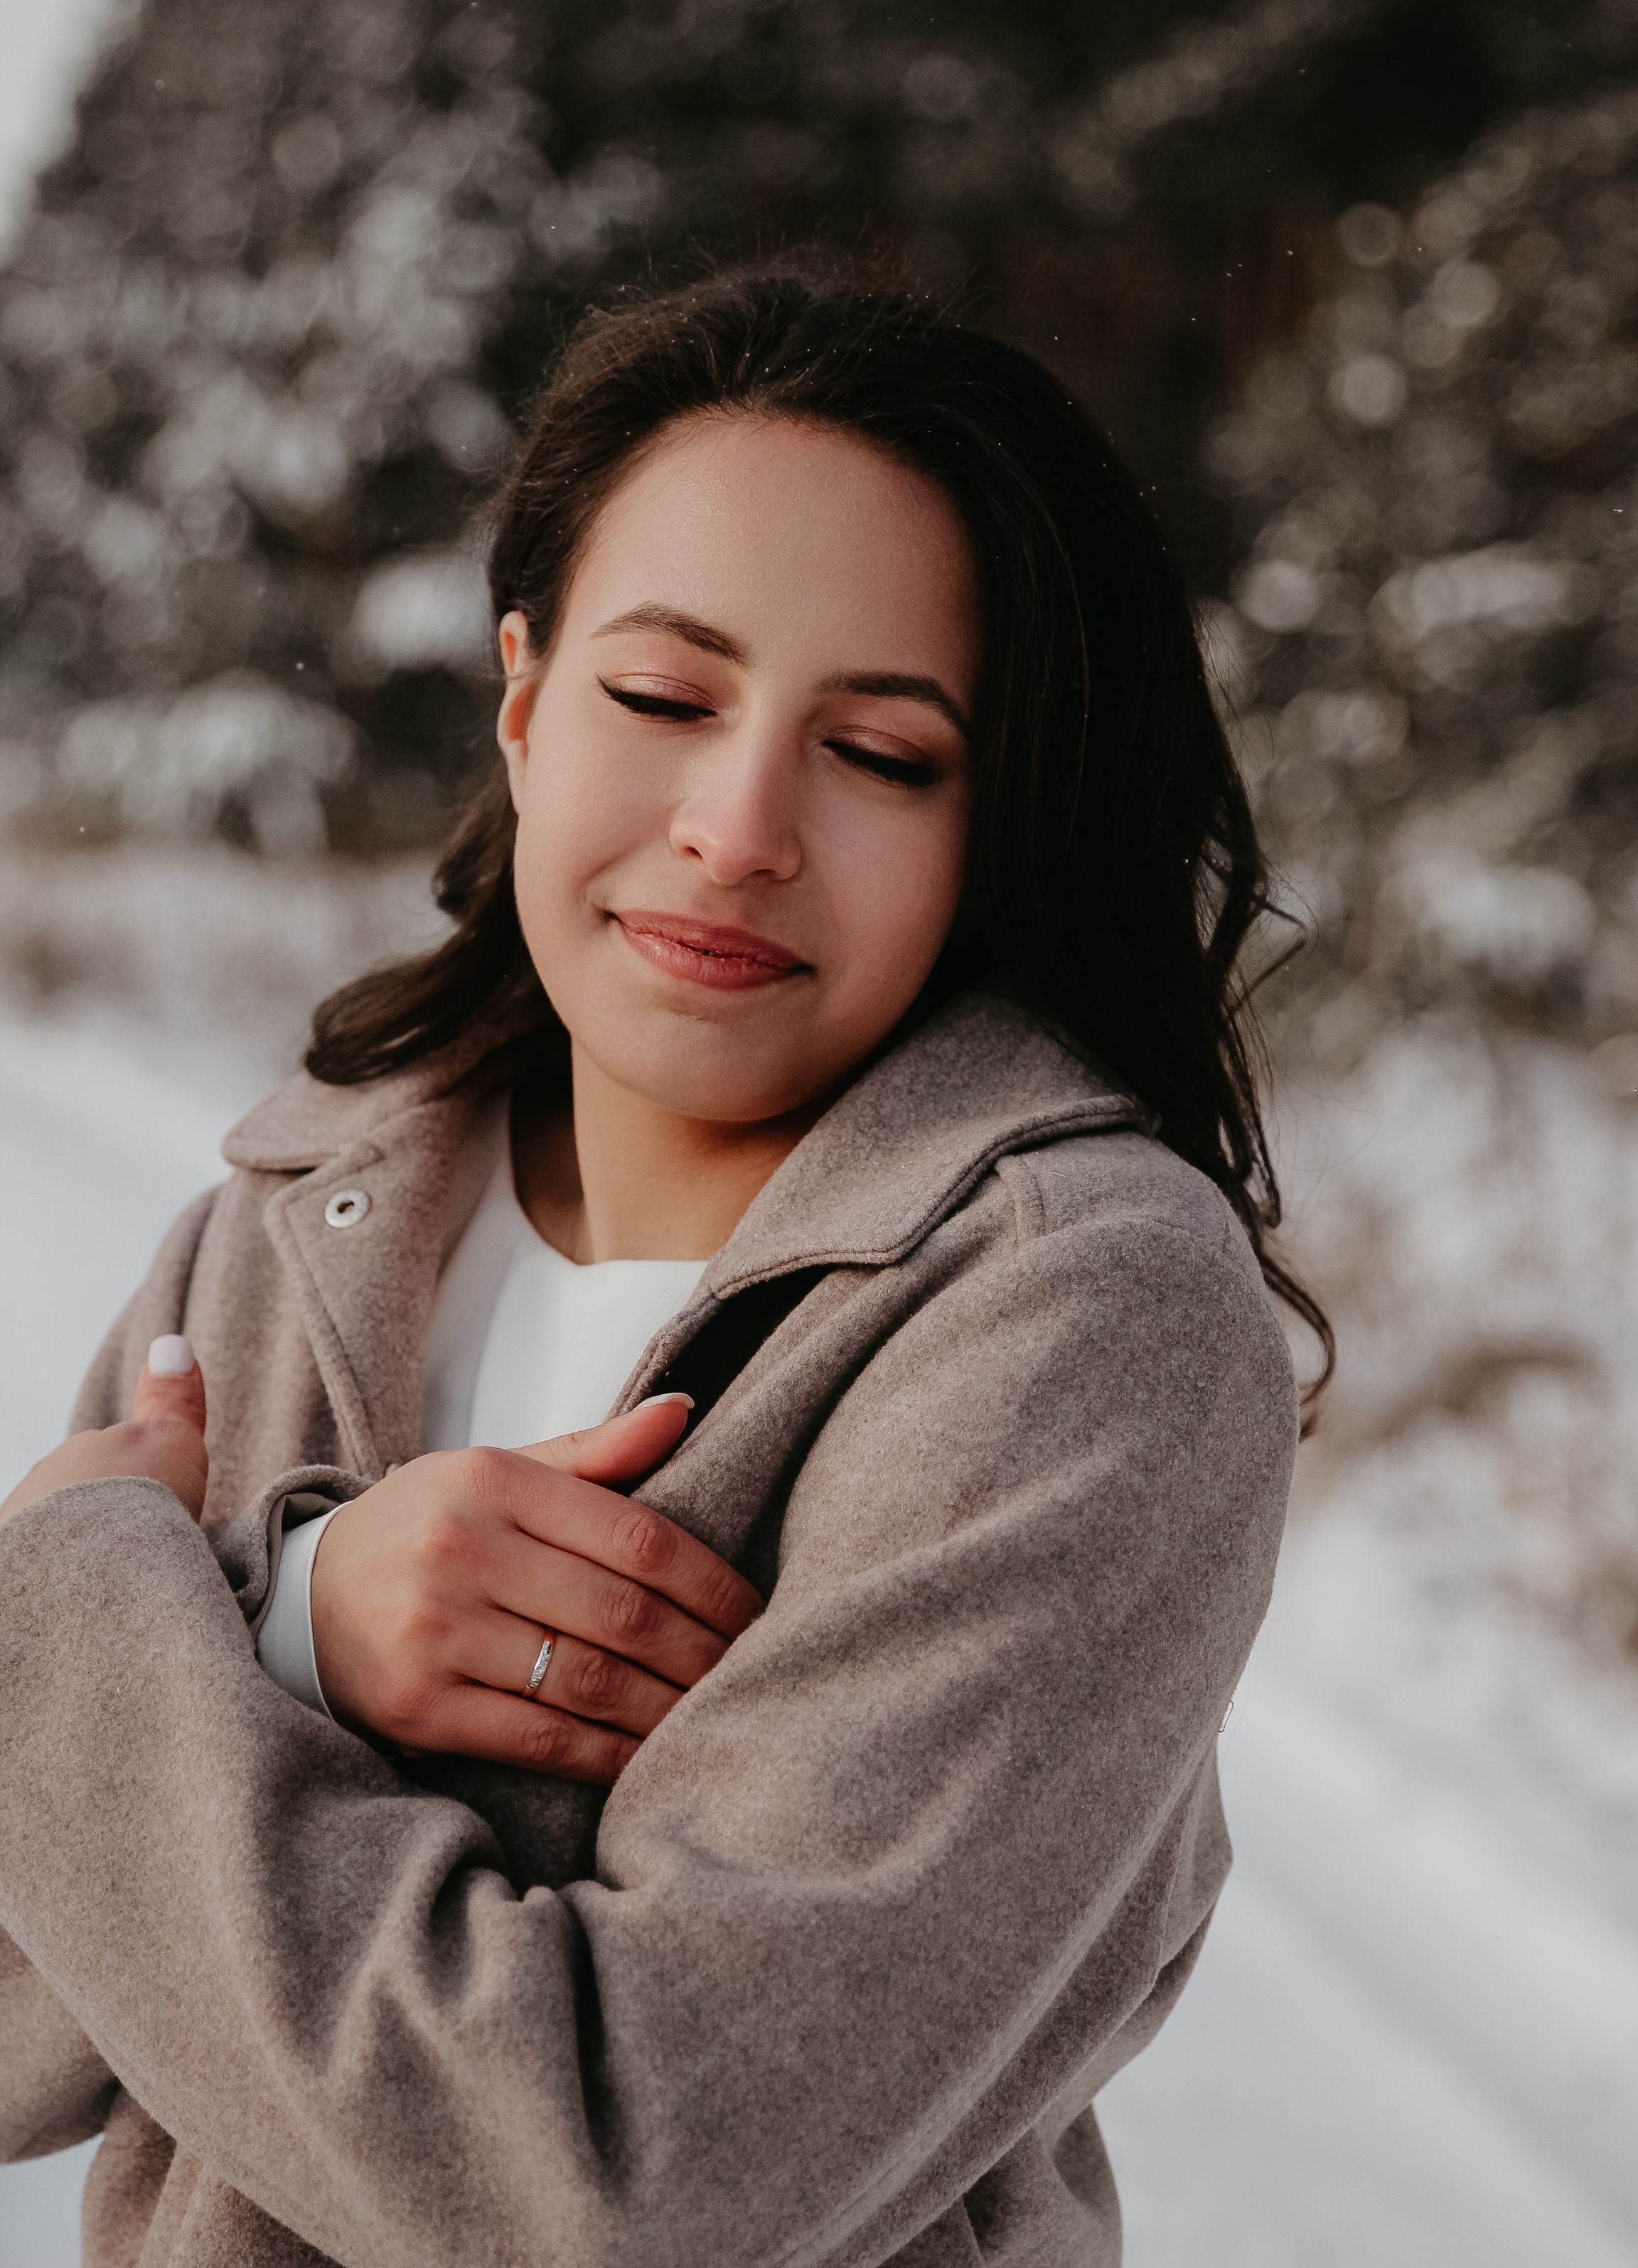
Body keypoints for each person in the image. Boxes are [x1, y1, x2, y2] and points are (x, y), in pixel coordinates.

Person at [0, 263, 1317, 2268]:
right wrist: (285, 1628)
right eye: (662, 698)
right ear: (525, 698)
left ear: (1001, 813)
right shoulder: (291, 1214)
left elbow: (620, 2188)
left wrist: (97, 1619)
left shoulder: (1085, 1314)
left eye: (882, 752)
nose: (736, 827)